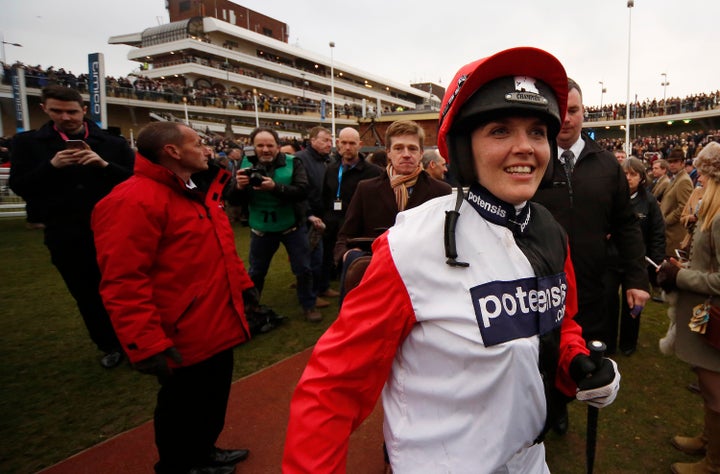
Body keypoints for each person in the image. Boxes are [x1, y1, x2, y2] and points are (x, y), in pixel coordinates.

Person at [283, 47, 620, 473]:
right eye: (500, 131)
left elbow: (561, 322)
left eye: (537, 132)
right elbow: (332, 390)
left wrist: (576, 362)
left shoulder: (550, 230)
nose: (525, 148)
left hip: (531, 461)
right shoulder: (409, 246)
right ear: (462, 149)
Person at [92, 122, 254, 474]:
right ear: (173, 152)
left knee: (210, 398)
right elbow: (123, 281)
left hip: (215, 321)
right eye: (198, 143)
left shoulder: (195, 191)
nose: (207, 149)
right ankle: (179, 465)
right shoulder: (131, 200)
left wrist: (244, 288)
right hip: (179, 332)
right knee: (181, 405)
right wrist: (146, 343)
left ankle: (203, 452)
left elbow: (220, 249)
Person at [532, 77, 649, 433]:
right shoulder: (533, 158)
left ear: (585, 112)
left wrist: (636, 278)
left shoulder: (607, 165)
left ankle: (562, 403)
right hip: (541, 283)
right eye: (560, 110)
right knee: (541, 351)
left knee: (580, 352)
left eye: (574, 110)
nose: (566, 118)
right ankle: (546, 406)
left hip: (593, 283)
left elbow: (627, 225)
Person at [9, 85, 133, 368]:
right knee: (86, 292)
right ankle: (109, 344)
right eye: (57, 111)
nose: (66, 117)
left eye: (72, 111)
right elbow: (20, 186)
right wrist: (51, 166)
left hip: (115, 230)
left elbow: (134, 182)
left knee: (127, 287)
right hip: (65, 232)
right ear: (45, 110)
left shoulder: (113, 144)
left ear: (84, 110)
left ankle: (138, 338)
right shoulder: (28, 144)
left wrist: (104, 165)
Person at [333, 120, 451, 304]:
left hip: (423, 283)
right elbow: (345, 235)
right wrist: (346, 255)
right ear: (388, 152)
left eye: (412, 149)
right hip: (376, 279)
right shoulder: (366, 189)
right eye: (398, 148)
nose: (406, 155)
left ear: (421, 153)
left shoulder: (441, 191)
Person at [656, 141, 720, 474]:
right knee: (707, 384)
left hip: (714, 314)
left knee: (715, 390)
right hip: (703, 311)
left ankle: (714, 462)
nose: (699, 183)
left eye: (705, 177)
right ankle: (709, 441)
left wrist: (681, 277)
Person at [236, 127, 320, 322]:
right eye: (260, 145)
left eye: (270, 145)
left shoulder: (293, 163)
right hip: (261, 229)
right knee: (256, 271)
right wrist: (239, 186)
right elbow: (232, 198)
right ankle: (251, 308)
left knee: (303, 268)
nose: (265, 150)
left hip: (291, 227)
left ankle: (309, 305)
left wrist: (275, 187)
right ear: (252, 147)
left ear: (278, 147)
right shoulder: (245, 164)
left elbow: (302, 191)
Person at [604, 157, 666, 356]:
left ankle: (629, 343)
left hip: (637, 263)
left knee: (634, 305)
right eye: (625, 174)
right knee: (608, 302)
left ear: (641, 178)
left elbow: (657, 232)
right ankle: (608, 341)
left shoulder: (649, 201)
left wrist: (655, 261)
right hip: (611, 260)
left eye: (633, 174)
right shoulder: (610, 198)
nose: (628, 178)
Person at [321, 127, 383, 285]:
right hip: (332, 224)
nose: (348, 147)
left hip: (356, 228)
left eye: (352, 143)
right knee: (328, 256)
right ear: (338, 144)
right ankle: (326, 284)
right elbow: (325, 195)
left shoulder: (374, 172)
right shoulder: (331, 169)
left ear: (360, 145)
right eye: (344, 143)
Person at [293, 126, 338, 307]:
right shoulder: (300, 160)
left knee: (326, 254)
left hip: (326, 214)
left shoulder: (329, 160)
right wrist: (308, 214)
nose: (329, 144)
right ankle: (310, 294)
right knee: (312, 257)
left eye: (330, 140)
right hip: (308, 217)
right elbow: (299, 191)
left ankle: (323, 286)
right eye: (325, 140)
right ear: (312, 141)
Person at [661, 147, 695, 258]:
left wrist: (666, 221)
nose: (672, 164)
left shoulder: (683, 180)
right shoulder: (676, 178)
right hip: (670, 234)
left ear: (682, 163)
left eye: (675, 162)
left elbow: (684, 207)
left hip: (675, 235)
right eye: (670, 162)